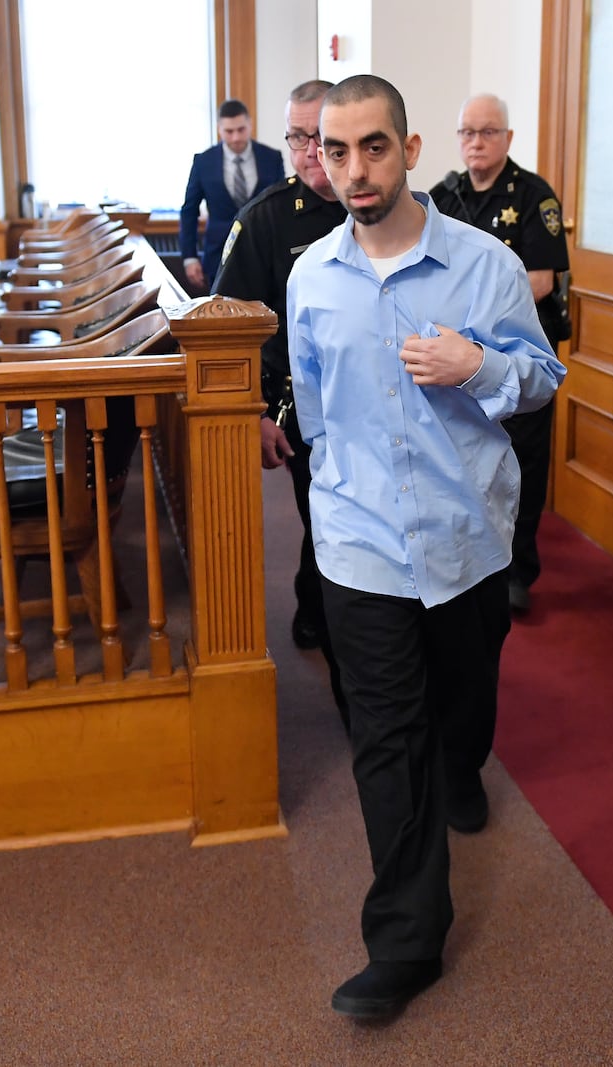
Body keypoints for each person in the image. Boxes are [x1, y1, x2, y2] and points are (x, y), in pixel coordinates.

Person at [287, 75, 565, 1019]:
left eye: (373, 147)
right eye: (336, 150)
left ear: (409, 149)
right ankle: (407, 940)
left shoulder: (484, 264)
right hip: (360, 543)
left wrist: (478, 364)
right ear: (320, 157)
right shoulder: (310, 276)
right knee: (386, 737)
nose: (355, 169)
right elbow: (316, 414)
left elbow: (543, 379)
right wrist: (333, 504)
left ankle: (463, 764)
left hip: (465, 538)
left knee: (461, 705)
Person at [211, 79, 349, 722]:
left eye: (320, 137)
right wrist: (258, 413)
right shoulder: (264, 218)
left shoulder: (385, 210)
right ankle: (342, 649)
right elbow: (227, 327)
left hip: (384, 408)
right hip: (305, 413)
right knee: (331, 525)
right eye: (297, 137)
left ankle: (314, 599)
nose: (308, 152)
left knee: (342, 530)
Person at [429, 93, 571, 616]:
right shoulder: (444, 195)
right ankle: (470, 557)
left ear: (508, 139)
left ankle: (518, 570)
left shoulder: (535, 196)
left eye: (487, 132)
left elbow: (537, 280)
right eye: (467, 132)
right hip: (458, 360)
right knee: (469, 456)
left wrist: (468, 319)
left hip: (515, 352)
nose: (475, 142)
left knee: (524, 462)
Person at [178, 99, 283, 293]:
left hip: (264, 254)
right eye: (228, 131)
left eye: (241, 130)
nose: (235, 137)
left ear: (250, 124)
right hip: (218, 254)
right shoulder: (203, 161)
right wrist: (189, 257)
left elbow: (280, 206)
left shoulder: (272, 158)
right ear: (219, 129)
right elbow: (189, 211)